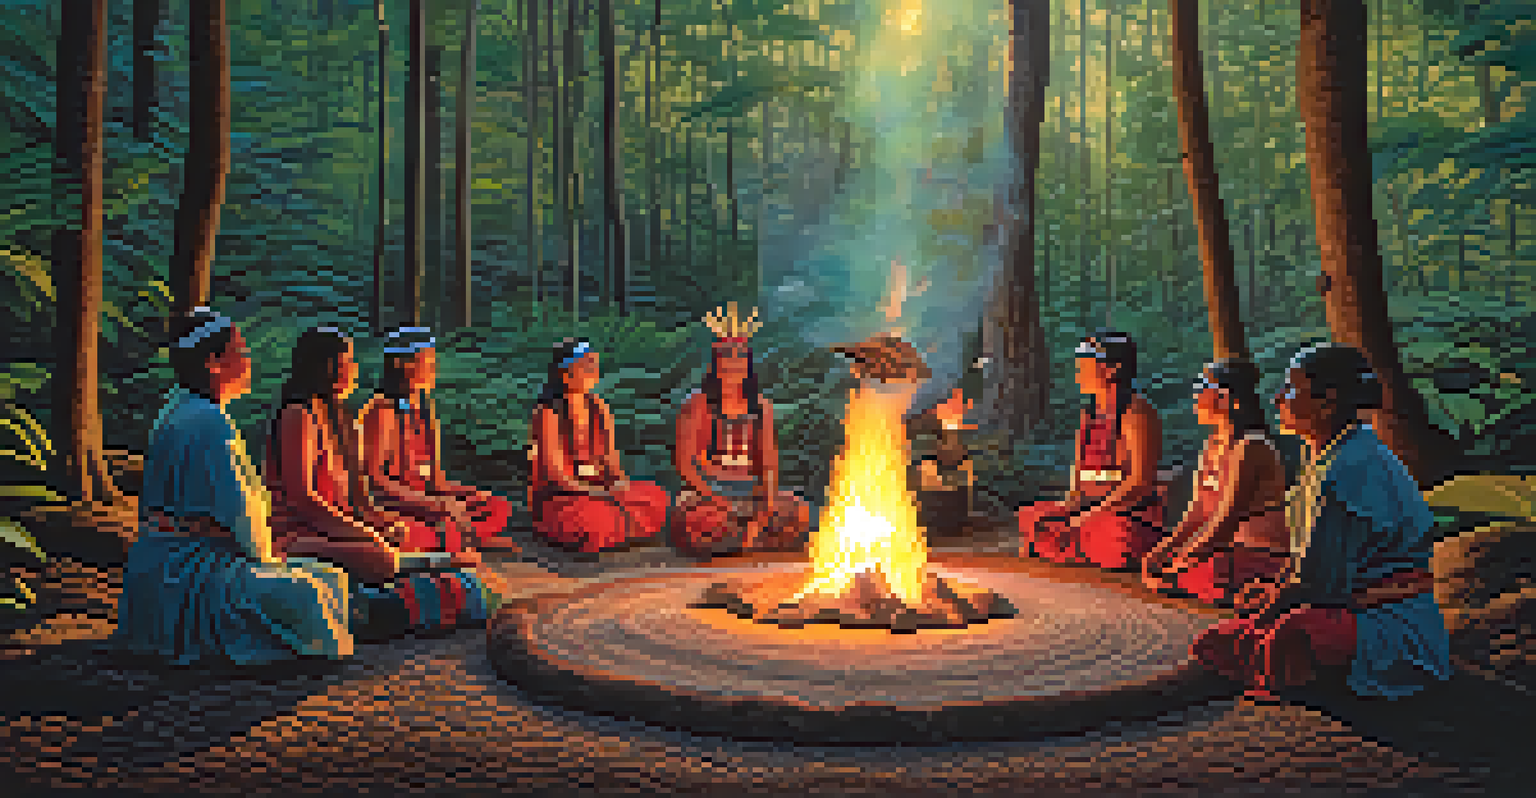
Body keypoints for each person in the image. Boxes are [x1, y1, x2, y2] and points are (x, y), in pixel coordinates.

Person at [1192, 343, 1453, 700]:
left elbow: (1317, 580)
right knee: (1222, 639)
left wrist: (1267, 610)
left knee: (1291, 632)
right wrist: (1271, 594)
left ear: (1327, 401)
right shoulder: (1324, 456)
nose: (1278, 398)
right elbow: (1304, 560)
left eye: (1290, 389)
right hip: (1336, 600)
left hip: (1386, 618)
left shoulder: (1350, 466)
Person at [114, 308, 352, 665]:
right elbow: (240, 515)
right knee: (309, 592)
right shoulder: (207, 422)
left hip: (166, 564)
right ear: (213, 362)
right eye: (240, 352)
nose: (248, 361)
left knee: (328, 578)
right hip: (189, 571)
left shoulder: (182, 408)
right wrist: (267, 555)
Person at [266, 326, 500, 637]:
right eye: (346, 361)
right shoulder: (299, 413)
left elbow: (360, 497)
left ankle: (424, 571)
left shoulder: (342, 415)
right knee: (379, 555)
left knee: (398, 539)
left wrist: (383, 522)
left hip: (345, 525)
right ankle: (424, 571)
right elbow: (304, 500)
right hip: (301, 532)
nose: (354, 369)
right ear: (324, 366)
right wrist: (366, 531)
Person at [1143, 358, 1290, 604]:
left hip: (1258, 552)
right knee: (1171, 565)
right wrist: (1163, 551)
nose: (1196, 396)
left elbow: (1227, 518)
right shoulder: (1212, 445)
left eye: (1202, 386)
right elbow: (1198, 512)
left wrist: (1183, 560)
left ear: (1226, 398)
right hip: (1223, 549)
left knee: (1210, 571)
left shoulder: (1251, 446)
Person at [360, 326, 518, 552]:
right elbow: (374, 480)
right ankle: (459, 539)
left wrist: (467, 494)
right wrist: (434, 504)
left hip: (429, 500)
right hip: (397, 502)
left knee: (496, 506)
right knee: (422, 530)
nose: (433, 370)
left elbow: (437, 480)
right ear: (400, 364)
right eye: (427, 363)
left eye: (433, 363)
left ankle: (459, 536)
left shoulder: (426, 408)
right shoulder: (381, 410)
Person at [1017, 331, 1166, 570]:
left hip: (1123, 511)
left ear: (1112, 369)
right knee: (1032, 516)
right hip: (1088, 505)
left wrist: (1089, 516)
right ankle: (1071, 542)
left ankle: (1072, 545)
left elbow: (1140, 482)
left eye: (1085, 365)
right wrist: (1068, 508)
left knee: (1116, 535)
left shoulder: (1137, 412)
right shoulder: (1089, 414)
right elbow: (1078, 477)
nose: (1078, 371)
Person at [672, 303, 810, 557]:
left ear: (748, 367)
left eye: (739, 362)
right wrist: (714, 498)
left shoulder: (761, 407)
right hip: (710, 487)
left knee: (796, 510)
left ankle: (746, 535)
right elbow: (685, 463)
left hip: (751, 487)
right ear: (715, 365)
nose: (732, 368)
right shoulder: (697, 404)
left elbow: (769, 462)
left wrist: (768, 498)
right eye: (726, 361)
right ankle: (744, 536)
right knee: (694, 520)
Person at [528, 338, 670, 553]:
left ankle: (619, 527)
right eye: (586, 366)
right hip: (564, 496)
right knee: (593, 520)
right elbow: (555, 475)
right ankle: (614, 530)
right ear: (566, 374)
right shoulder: (549, 413)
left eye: (594, 365)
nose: (593, 371)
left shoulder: (599, 407)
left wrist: (619, 484)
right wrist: (596, 492)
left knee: (656, 497)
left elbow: (610, 460)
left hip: (601, 489)